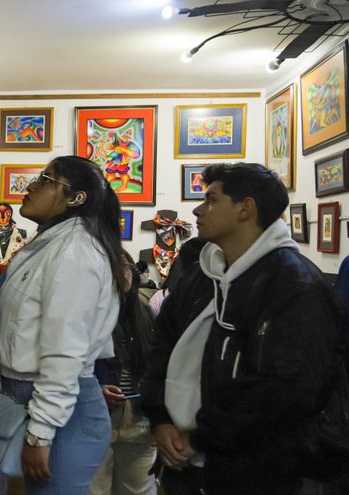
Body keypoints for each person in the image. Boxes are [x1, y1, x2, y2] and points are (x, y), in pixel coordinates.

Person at [139, 163, 344, 494]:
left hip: (256, 472)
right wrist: (160, 419)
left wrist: (200, 437)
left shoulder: (294, 284)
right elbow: (162, 344)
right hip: (181, 462)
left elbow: (284, 389)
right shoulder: (201, 274)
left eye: (211, 200)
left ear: (245, 208)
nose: (198, 209)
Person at [0, 156, 124, 494]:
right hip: (46, 402)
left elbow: (64, 351)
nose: (30, 185)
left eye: (46, 179)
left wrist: (41, 431)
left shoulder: (75, 253)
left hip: (62, 414)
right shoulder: (52, 244)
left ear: (76, 198)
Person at [90, 251, 157, 495]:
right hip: (96, 418)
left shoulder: (147, 314)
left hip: (139, 420)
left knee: (138, 491)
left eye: (124, 266)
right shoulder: (86, 314)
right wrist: (95, 391)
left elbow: (158, 366)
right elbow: (68, 366)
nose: (119, 273)